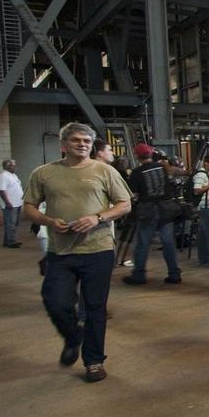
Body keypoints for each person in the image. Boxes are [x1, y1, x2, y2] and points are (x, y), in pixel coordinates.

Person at [21, 122, 133, 383]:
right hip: (61, 251)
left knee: (94, 308)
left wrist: (98, 217)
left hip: (98, 249)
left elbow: (124, 204)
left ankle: (94, 361)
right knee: (55, 301)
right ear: (63, 145)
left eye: (86, 141)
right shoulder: (44, 173)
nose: (82, 144)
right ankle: (73, 336)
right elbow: (29, 208)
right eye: (76, 140)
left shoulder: (104, 171)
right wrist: (49, 222)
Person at [124, 143, 184, 286]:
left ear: (137, 156)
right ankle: (174, 274)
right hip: (166, 210)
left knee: (143, 244)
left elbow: (134, 195)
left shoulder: (137, 172)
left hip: (147, 211)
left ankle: (139, 276)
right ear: (151, 154)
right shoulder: (164, 169)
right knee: (168, 243)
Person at [0, 159, 24, 248]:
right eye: (13, 165)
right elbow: (1, 190)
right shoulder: (3, 176)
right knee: (10, 223)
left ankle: (8, 240)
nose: (15, 167)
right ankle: (11, 242)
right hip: (10, 204)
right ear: (7, 166)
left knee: (15, 223)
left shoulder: (13, 175)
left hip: (17, 203)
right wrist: (7, 202)